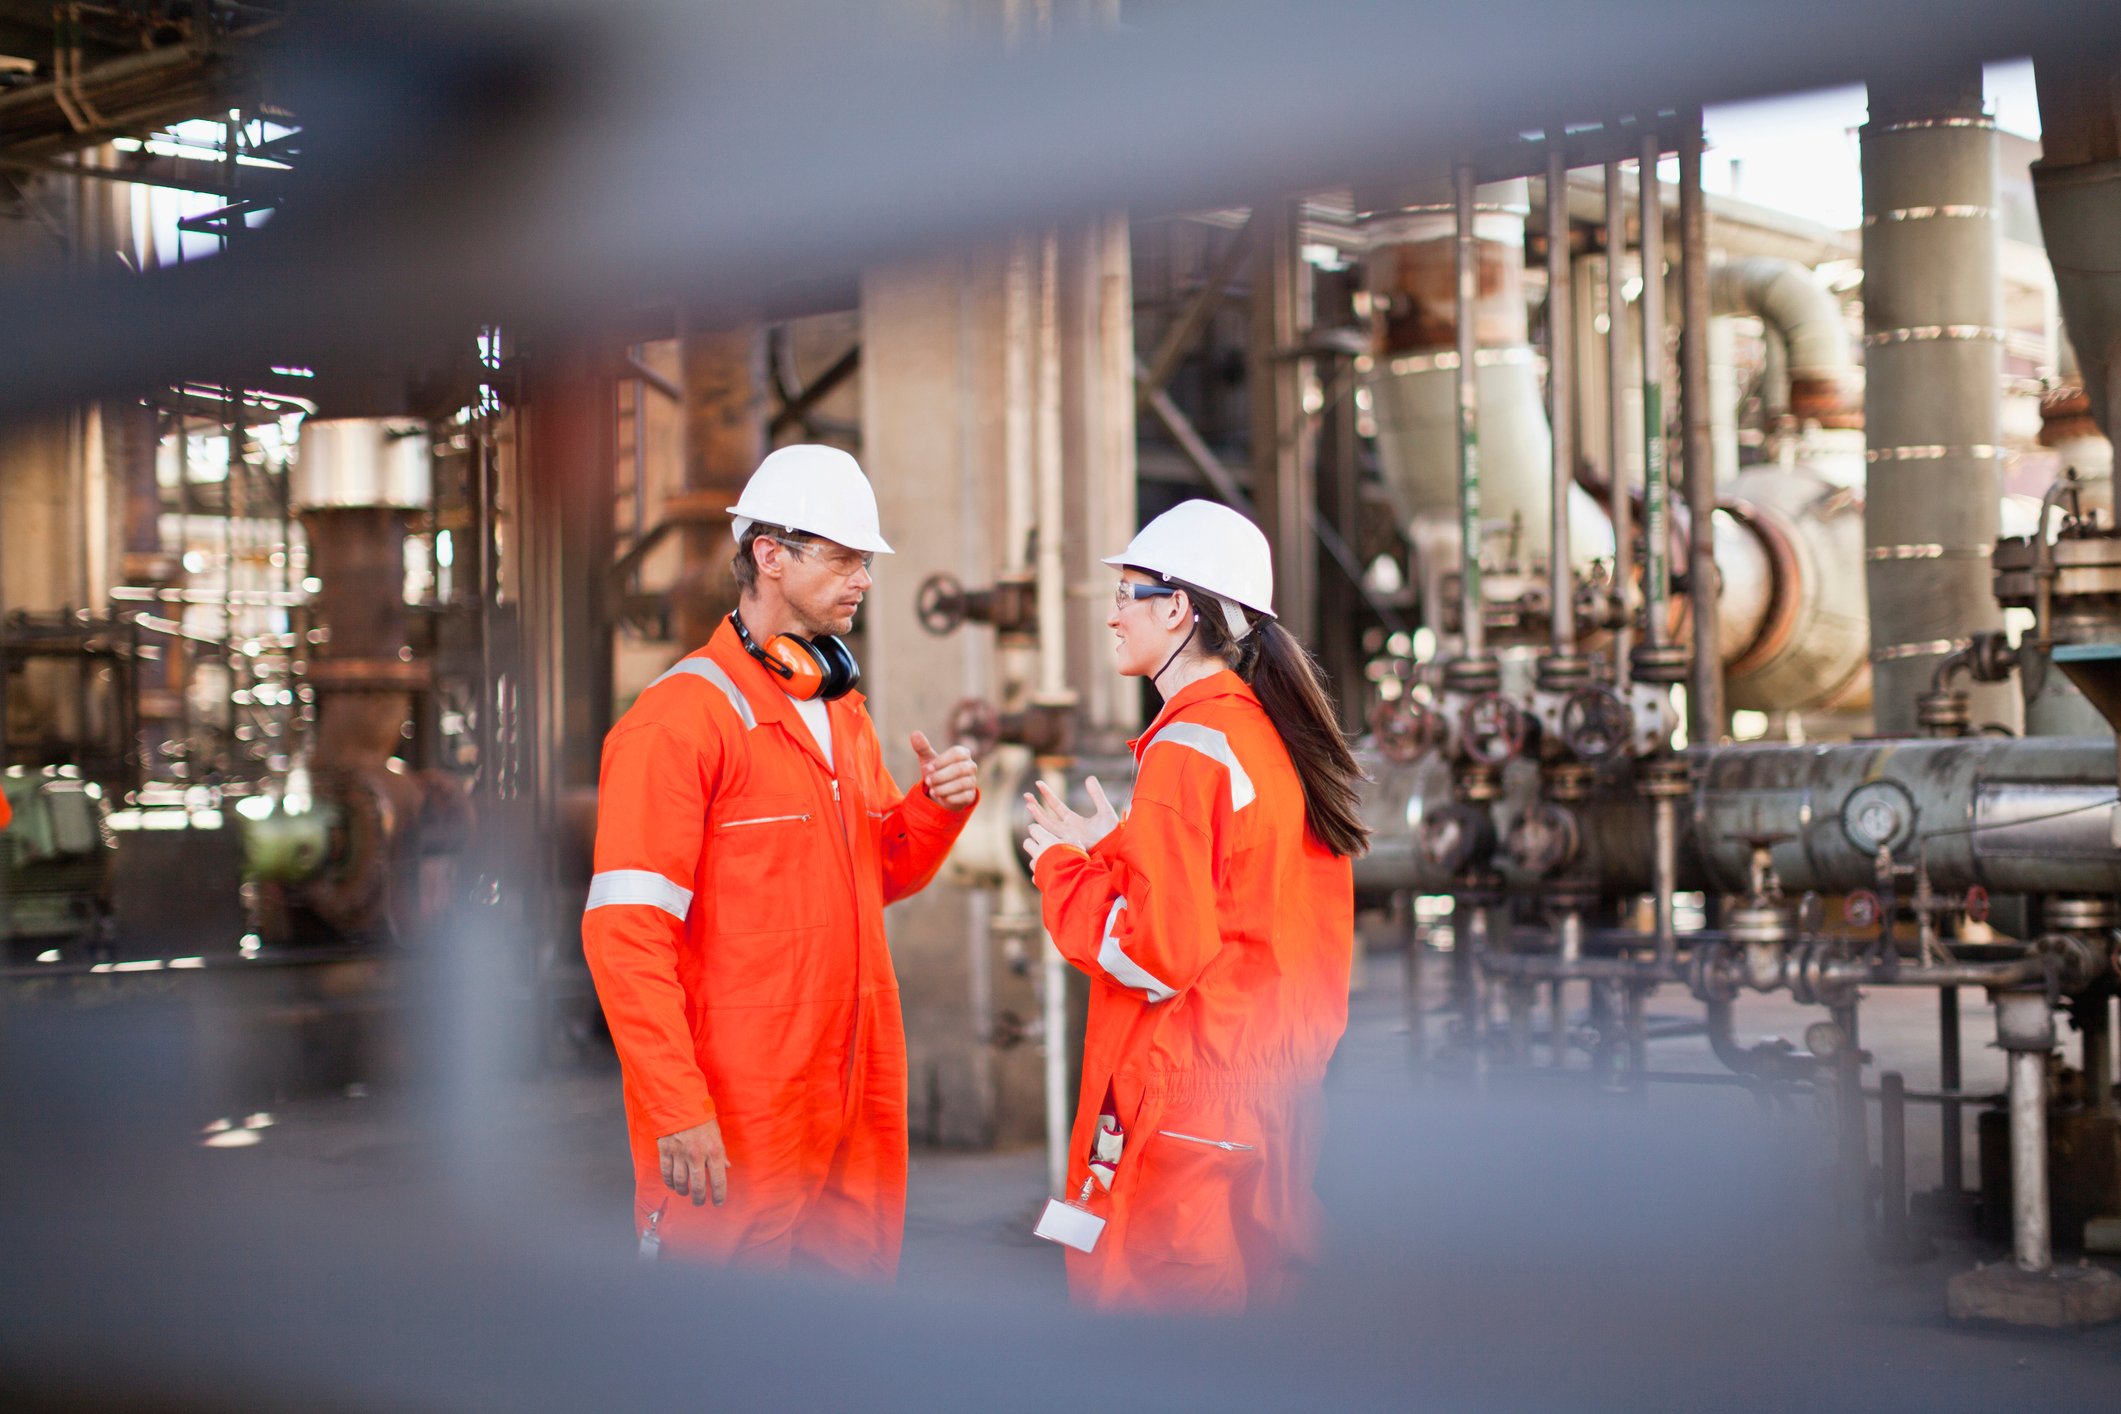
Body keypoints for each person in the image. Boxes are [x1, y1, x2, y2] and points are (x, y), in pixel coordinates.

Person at [583, 443, 979, 1279]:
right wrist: (675, 1105)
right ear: (770, 554)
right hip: (735, 1118)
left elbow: (878, 874)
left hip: (853, 1106)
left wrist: (932, 813)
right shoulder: (677, 724)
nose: (862, 580)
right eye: (842, 559)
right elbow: (626, 935)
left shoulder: (842, 717)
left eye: (864, 562)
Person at [1022, 499, 1366, 1312]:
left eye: (1125, 595)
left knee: (1165, 1352)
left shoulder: (1184, 749)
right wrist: (1124, 851)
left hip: (1186, 1106)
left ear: (1176, 608)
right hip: (1269, 1097)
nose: (1111, 617)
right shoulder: (1264, 737)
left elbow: (1156, 955)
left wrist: (1066, 874)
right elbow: (1247, 901)